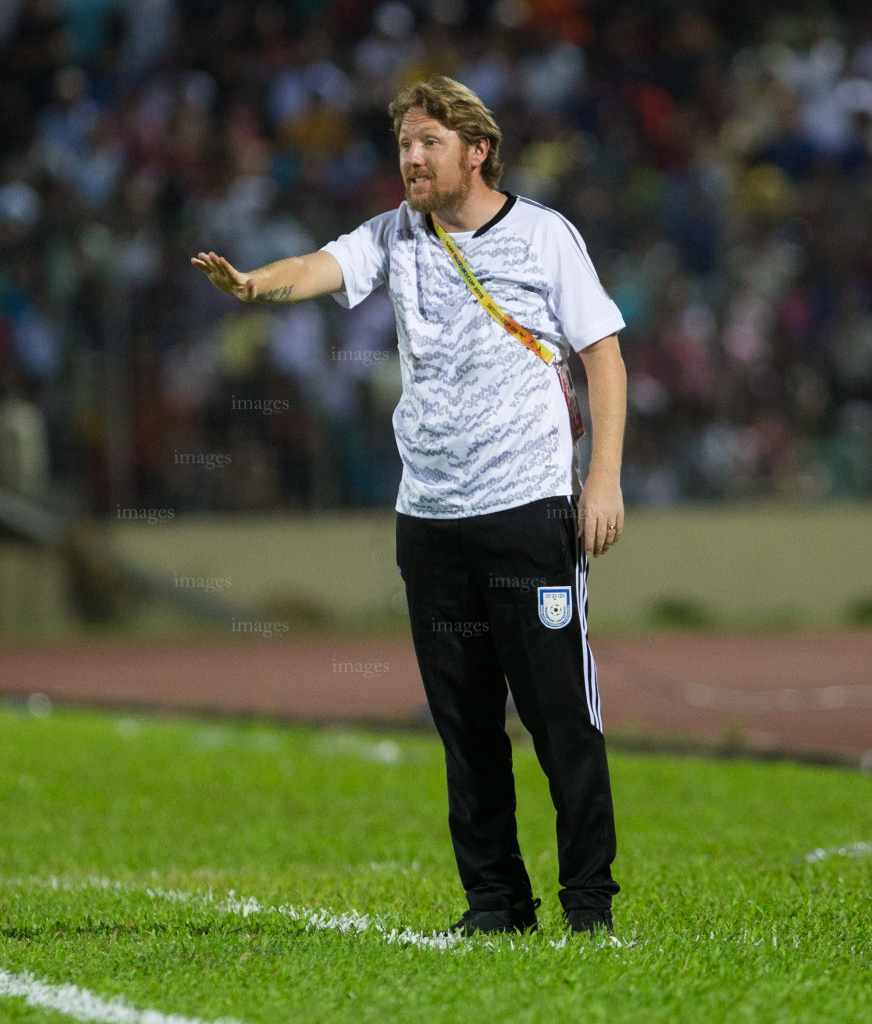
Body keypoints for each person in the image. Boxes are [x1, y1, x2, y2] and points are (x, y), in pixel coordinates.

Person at [192, 76, 629, 935]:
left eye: (429, 142)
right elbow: (320, 266)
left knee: (561, 724)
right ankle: (496, 907)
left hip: (527, 510)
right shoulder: (394, 235)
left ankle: (589, 909)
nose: (412, 159)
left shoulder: (545, 237)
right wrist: (253, 287)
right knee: (465, 729)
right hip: (429, 519)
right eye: (403, 145)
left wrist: (604, 478)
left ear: (477, 151)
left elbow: (603, 355)